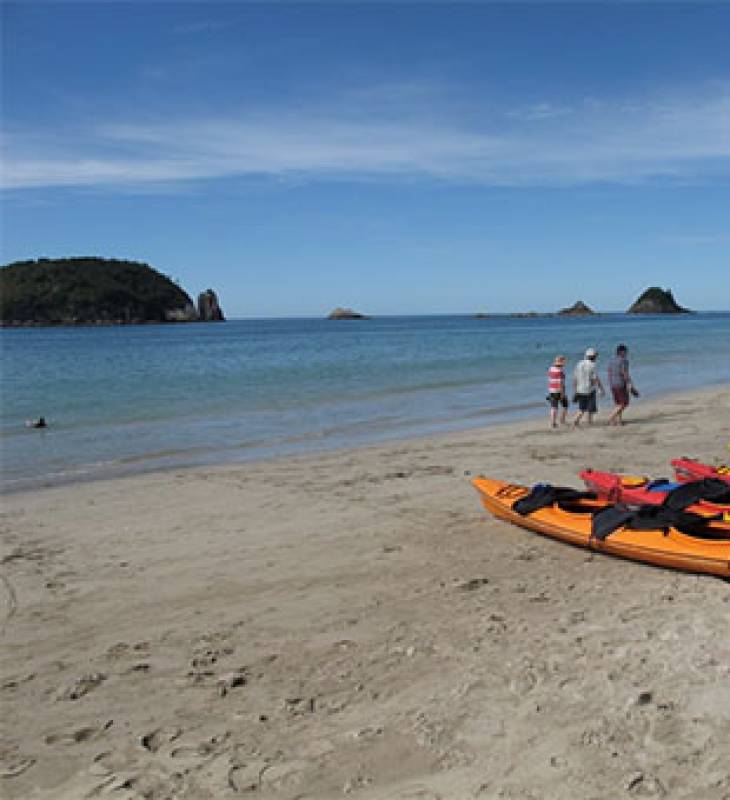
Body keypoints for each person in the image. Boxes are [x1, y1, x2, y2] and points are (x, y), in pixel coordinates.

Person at [606, 344, 639, 426]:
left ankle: (619, 421)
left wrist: (610, 382)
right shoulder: (624, 361)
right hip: (621, 384)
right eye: (626, 351)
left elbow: (609, 371)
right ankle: (611, 418)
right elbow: (624, 373)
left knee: (618, 403)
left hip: (613, 384)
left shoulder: (611, 360)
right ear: (622, 352)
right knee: (624, 403)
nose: (627, 353)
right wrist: (630, 384)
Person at [572, 348, 604, 426]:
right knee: (591, 407)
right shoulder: (593, 365)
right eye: (596, 356)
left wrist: (575, 390)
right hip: (589, 389)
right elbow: (595, 378)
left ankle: (576, 420)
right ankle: (589, 421)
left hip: (580, 389)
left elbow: (575, 377)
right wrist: (601, 388)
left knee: (582, 408)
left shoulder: (579, 363)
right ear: (594, 357)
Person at [546, 355, 568, 428]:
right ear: (561, 362)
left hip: (551, 390)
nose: (565, 363)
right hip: (559, 391)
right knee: (565, 406)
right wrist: (562, 393)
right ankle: (562, 420)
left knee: (554, 407)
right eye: (564, 361)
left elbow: (550, 377)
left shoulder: (551, 369)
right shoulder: (560, 372)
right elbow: (560, 383)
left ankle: (553, 422)